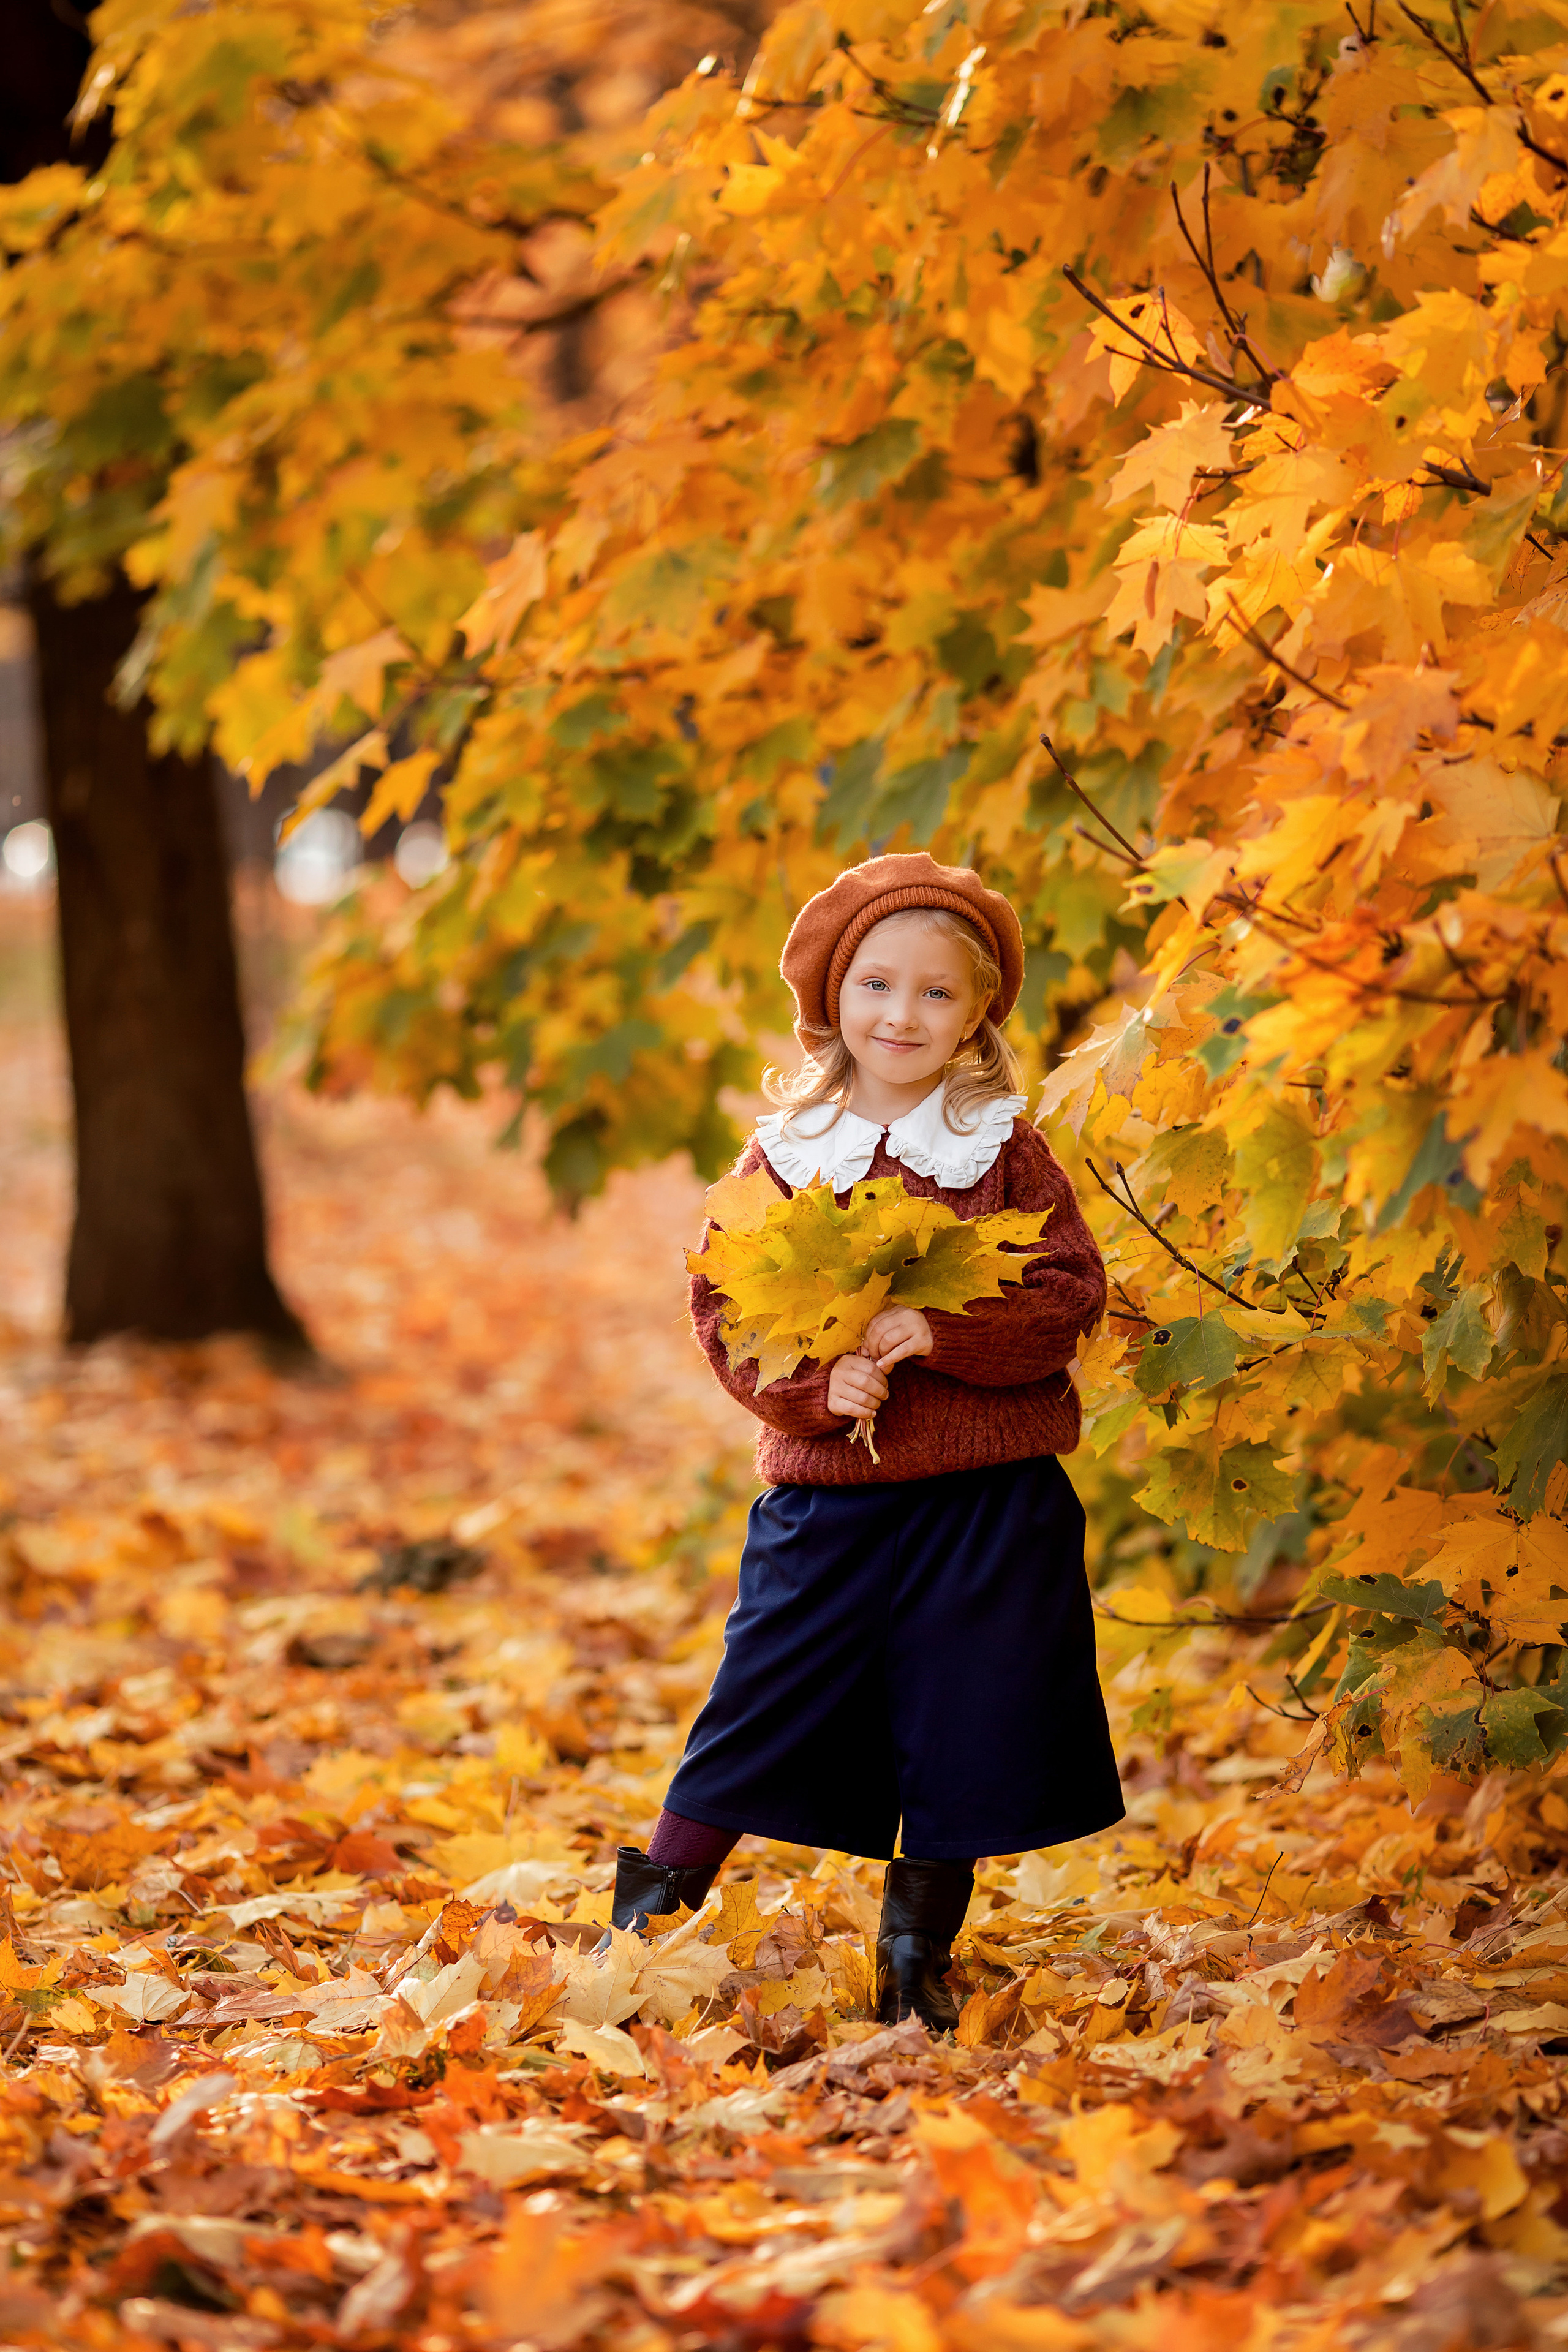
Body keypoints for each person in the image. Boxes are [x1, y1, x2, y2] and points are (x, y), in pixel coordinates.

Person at [605, 851, 1123, 2029]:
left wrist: (938, 1329)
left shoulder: (1002, 1148)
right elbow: (725, 1309)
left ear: (979, 1012)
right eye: (878, 986)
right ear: (834, 1000)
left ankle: (913, 1957)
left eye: (938, 993)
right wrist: (809, 1391)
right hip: (830, 1497)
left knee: (969, 1717)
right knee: (763, 1692)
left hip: (991, 1497)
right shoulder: (789, 1153)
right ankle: (649, 1915)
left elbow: (1066, 1294)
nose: (904, 1014)